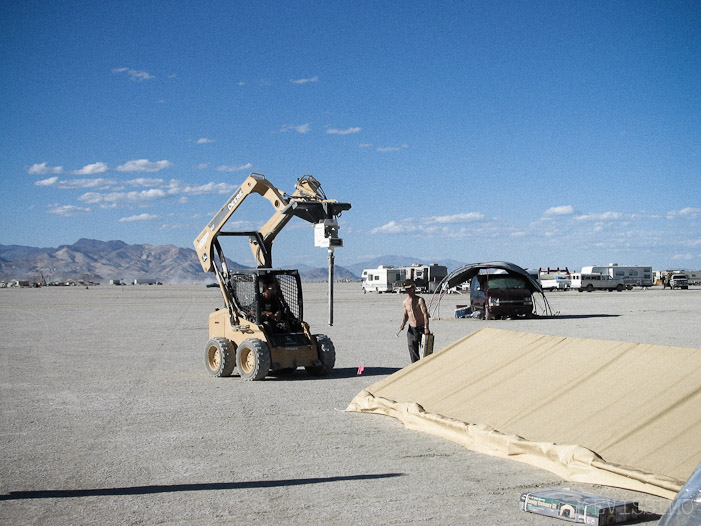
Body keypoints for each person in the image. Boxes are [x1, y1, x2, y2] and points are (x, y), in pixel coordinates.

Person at [399, 279, 430, 363]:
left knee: (425, 351)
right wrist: (403, 324)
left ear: (413, 288)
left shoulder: (420, 300)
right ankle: (415, 366)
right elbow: (406, 315)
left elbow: (425, 314)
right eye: (406, 289)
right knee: (412, 350)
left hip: (421, 328)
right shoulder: (405, 302)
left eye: (409, 288)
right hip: (412, 330)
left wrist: (426, 328)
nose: (407, 290)